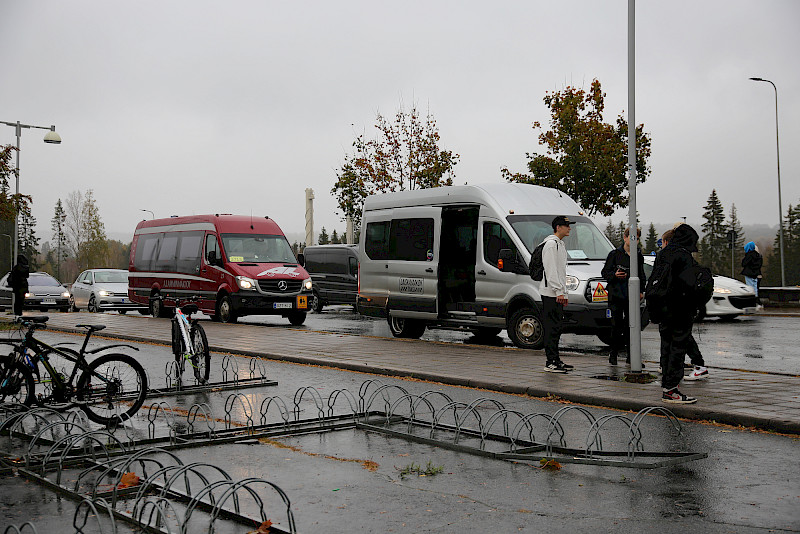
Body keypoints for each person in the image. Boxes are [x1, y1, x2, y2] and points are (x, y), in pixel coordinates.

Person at [652, 223, 702, 404]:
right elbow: (689, 284)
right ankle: (672, 389)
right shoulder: (683, 256)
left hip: (663, 309)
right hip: (680, 309)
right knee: (678, 348)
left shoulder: (663, 254)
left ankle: (667, 385)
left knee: (666, 346)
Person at [656, 229, 708, 381]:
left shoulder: (672, 258)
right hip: (678, 306)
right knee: (676, 337)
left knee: (679, 338)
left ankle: (697, 365)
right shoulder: (683, 257)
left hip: (675, 306)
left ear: (666, 242)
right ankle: (669, 367)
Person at [601, 226, 646, 365]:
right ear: (625, 238)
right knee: (616, 326)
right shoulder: (614, 254)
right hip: (616, 295)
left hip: (631, 296)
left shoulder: (638, 256)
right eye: (632, 238)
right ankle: (613, 355)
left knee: (631, 326)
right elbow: (605, 273)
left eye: (637, 239)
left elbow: (641, 274)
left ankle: (631, 357)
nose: (635, 241)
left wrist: (641, 291)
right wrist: (614, 275)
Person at [540, 215, 574, 373]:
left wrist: (564, 293)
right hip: (550, 293)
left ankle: (556, 359)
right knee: (551, 328)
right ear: (558, 227)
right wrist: (559, 291)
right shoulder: (551, 245)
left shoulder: (560, 245)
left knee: (557, 327)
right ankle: (550, 362)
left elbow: (561, 272)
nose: (569, 228)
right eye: (566, 226)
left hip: (557, 293)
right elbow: (551, 271)